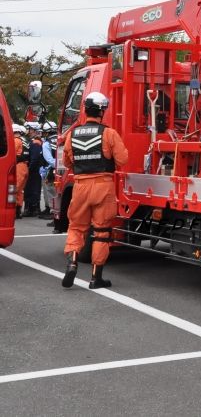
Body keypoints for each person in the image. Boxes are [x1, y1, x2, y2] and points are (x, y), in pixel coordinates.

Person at [61, 92, 128, 289]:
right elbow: (123, 160)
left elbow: (67, 162)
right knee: (101, 231)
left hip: (80, 186)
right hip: (103, 186)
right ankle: (95, 277)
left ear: (85, 110)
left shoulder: (72, 134)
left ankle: (72, 262)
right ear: (102, 111)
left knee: (76, 227)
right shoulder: (109, 133)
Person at [23, 122, 43, 217]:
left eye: (29, 129)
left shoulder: (35, 142)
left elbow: (34, 158)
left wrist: (29, 169)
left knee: (33, 189)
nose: (27, 131)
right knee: (29, 189)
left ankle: (33, 209)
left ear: (33, 130)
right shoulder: (31, 140)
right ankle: (30, 208)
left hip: (34, 170)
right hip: (32, 169)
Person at [39, 122, 58, 220]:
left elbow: (49, 159)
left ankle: (53, 213)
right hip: (62, 170)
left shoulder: (46, 143)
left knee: (51, 192)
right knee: (59, 193)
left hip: (51, 171)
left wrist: (54, 167)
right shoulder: (61, 139)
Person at [12, 124, 29, 219]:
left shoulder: (16, 141)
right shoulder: (24, 140)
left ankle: (14, 212)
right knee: (19, 191)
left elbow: (12, 153)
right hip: (25, 166)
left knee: (14, 189)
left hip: (18, 166)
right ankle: (18, 211)